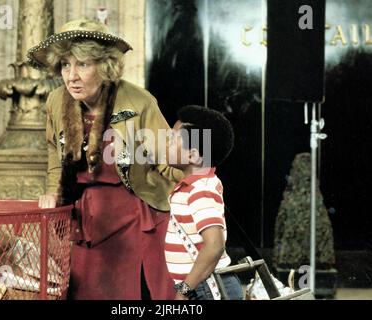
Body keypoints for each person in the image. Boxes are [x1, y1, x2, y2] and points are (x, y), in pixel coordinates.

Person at [28, 18, 183, 300]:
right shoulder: (55, 101)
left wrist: (198, 196)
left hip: (134, 214)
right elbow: (54, 153)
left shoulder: (139, 101)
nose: (71, 75)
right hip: (83, 218)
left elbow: (169, 160)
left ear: (105, 65)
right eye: (65, 64)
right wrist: (53, 191)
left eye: (83, 64)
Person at [164, 105, 244, 300]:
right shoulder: (194, 186)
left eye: (173, 139)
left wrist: (184, 290)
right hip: (203, 287)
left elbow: (214, 246)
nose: (165, 143)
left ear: (192, 155)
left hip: (207, 290)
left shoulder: (201, 190)